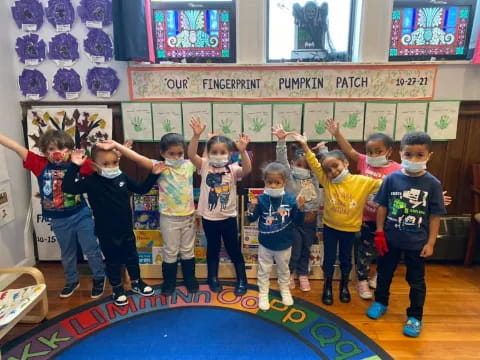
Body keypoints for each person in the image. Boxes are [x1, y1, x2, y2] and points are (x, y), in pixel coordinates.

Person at [326, 119, 452, 300]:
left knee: (384, 251)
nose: (373, 155)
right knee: (364, 250)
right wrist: (337, 134)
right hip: (364, 218)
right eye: (370, 151)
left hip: (390, 220)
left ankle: (378, 275)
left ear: (390, 152)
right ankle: (362, 279)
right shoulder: (364, 163)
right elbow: (350, 152)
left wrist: (436, 199)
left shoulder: (398, 169)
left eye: (378, 151)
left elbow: (417, 188)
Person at [0, 130, 106, 299]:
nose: (58, 153)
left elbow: (102, 170)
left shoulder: (79, 163)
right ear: (44, 151)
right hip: (58, 219)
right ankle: (72, 280)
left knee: (91, 248)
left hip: (80, 214)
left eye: (63, 148)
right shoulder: (39, 164)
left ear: (70, 149)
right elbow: (15, 147)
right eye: (51, 149)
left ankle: (99, 278)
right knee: (67, 251)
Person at [96, 134, 200, 296]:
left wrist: (196, 136)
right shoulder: (159, 166)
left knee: (188, 250)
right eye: (172, 154)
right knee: (170, 251)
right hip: (168, 217)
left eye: (179, 153)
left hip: (188, 216)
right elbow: (137, 158)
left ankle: (190, 278)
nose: (176, 157)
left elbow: (195, 155)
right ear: (162, 153)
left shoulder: (188, 165)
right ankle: (169, 282)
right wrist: (117, 144)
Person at [367, 132, 446, 338]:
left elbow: (435, 216)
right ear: (400, 153)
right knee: (384, 274)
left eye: (420, 155)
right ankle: (380, 302)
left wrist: (431, 243)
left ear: (429, 155)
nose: (414, 159)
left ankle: (415, 316)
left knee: (416, 281)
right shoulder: (392, 179)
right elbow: (382, 207)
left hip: (417, 243)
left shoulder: (433, 184)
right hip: (391, 239)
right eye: (409, 154)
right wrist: (380, 231)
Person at [62, 145, 161, 306]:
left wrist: (153, 175)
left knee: (132, 257)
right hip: (106, 231)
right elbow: (68, 188)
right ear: (94, 165)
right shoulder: (91, 181)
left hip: (126, 228)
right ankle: (117, 288)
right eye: (106, 164)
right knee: (113, 260)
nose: (112, 167)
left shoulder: (122, 177)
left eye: (114, 162)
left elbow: (141, 189)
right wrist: (74, 166)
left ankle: (137, 282)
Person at [292, 132, 381, 305]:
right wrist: (304, 146)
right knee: (330, 258)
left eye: (336, 166)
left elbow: (391, 182)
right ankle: (327, 286)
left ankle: (344, 286)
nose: (333, 172)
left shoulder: (362, 181)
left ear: (346, 163)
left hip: (351, 230)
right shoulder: (327, 181)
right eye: (329, 170)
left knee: (346, 259)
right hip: (330, 228)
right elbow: (315, 165)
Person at [188, 117, 252, 296]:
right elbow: (192, 155)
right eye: (214, 151)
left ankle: (242, 279)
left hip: (228, 218)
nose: (218, 154)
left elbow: (247, 170)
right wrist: (196, 136)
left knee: (233, 249)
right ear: (208, 153)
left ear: (229, 153)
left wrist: (243, 151)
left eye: (222, 151)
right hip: (209, 218)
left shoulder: (232, 168)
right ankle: (212, 278)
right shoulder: (205, 165)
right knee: (213, 249)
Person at [247, 162, 305, 310]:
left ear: (284, 182)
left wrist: (301, 209)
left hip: (284, 243)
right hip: (265, 243)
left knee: (284, 269)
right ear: (264, 181)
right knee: (263, 269)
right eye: (269, 182)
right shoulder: (261, 199)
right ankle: (263, 293)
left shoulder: (290, 200)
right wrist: (251, 207)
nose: (273, 186)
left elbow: (298, 222)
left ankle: (285, 290)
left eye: (277, 182)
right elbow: (251, 219)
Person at [272, 124, 323, 292]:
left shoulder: (315, 177)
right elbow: (281, 161)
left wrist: (318, 150)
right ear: (293, 164)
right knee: (294, 250)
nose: (304, 168)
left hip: (310, 221)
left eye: (306, 166)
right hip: (293, 221)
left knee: (306, 249)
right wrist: (281, 141)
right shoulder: (289, 178)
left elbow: (318, 164)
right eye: (300, 165)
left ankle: (303, 274)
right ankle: (290, 274)